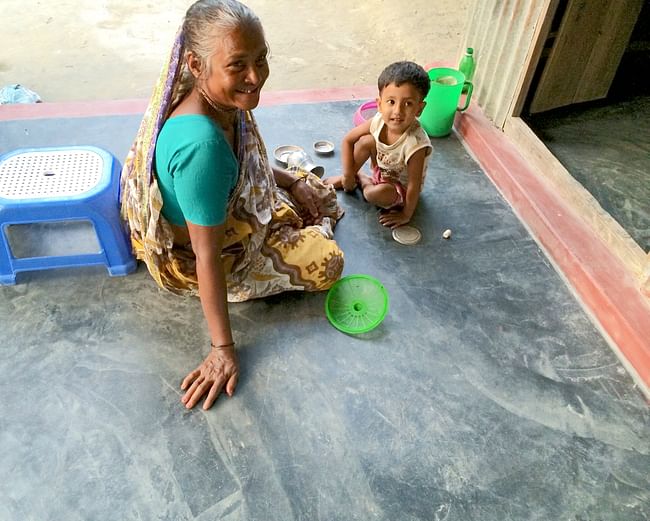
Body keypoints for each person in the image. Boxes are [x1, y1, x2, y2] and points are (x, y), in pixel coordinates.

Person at [120, 0, 344, 410]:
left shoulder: (217, 99)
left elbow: (241, 166)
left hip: (215, 210)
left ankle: (295, 209)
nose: (255, 77)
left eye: (261, 59)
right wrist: (222, 348)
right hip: (200, 258)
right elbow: (207, 257)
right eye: (237, 64)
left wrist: (291, 179)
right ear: (194, 64)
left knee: (319, 194)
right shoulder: (202, 148)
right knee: (328, 263)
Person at [325, 61, 433, 228]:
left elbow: (414, 184)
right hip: (382, 171)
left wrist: (406, 214)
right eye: (391, 102)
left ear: (419, 109)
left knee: (372, 194)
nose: (398, 111)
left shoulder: (415, 144)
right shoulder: (378, 120)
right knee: (365, 142)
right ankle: (350, 178)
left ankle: (362, 180)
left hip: (398, 191)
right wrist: (347, 174)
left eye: (408, 103)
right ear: (379, 104)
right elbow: (348, 140)